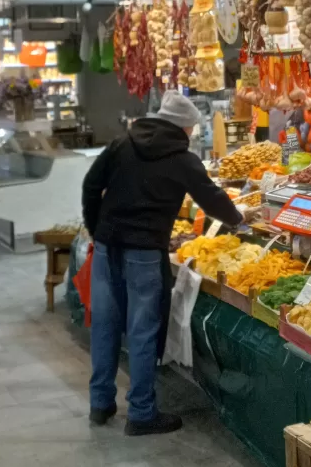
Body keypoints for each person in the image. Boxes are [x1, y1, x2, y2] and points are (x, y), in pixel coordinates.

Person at [82, 89, 241, 436]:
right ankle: (140, 413)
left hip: (108, 247)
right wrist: (239, 220)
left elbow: (91, 185)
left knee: (106, 326)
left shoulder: (121, 144)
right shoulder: (182, 159)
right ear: (184, 128)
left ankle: (100, 404)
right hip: (143, 251)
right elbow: (212, 199)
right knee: (142, 330)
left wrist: (97, 229)